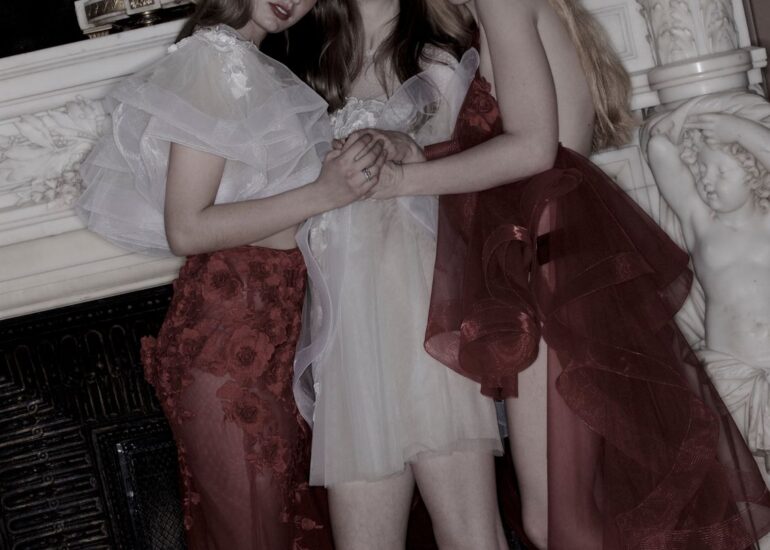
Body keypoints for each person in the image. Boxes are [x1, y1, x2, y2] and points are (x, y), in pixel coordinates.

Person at [341, 0, 770, 547]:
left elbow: (532, 149)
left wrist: (400, 181)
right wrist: (420, 154)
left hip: (549, 264)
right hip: (554, 258)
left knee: (557, 520)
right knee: (567, 513)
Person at [75, 0, 388, 547]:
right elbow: (187, 228)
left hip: (272, 343)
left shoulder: (254, 64)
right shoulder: (214, 61)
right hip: (228, 349)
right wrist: (323, 191)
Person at [283, 1, 508, 548]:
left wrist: (416, 153)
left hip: (427, 316)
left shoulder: (446, 49)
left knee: (471, 537)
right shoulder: (297, 56)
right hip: (349, 339)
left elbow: (499, 173)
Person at [646, 92, 770, 484]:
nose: (706, 181)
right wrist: (690, 116)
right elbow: (659, 147)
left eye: (720, 172)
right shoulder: (700, 222)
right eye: (701, 170)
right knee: (746, 483)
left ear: (752, 171)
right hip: (728, 374)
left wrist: (738, 129)